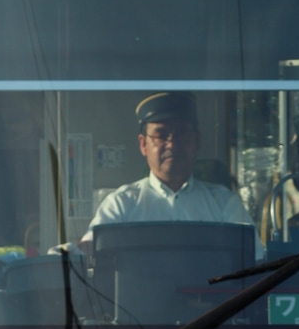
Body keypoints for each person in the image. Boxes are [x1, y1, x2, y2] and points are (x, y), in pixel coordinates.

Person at [84, 92, 255, 243]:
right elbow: (88, 254)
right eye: (161, 135)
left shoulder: (224, 204)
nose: (172, 144)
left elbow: (255, 261)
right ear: (143, 144)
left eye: (181, 133)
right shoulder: (122, 205)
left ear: (197, 140)